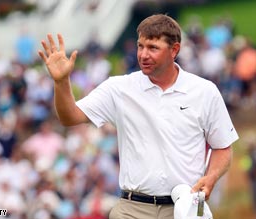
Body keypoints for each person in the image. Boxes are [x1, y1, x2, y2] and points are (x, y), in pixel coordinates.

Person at [38, 14, 239, 219]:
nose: (143, 55)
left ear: (175, 50)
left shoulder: (204, 91)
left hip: (184, 209)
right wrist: (61, 82)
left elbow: (222, 146)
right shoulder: (119, 88)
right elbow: (70, 117)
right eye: (140, 46)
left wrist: (212, 177)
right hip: (132, 209)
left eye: (153, 48)